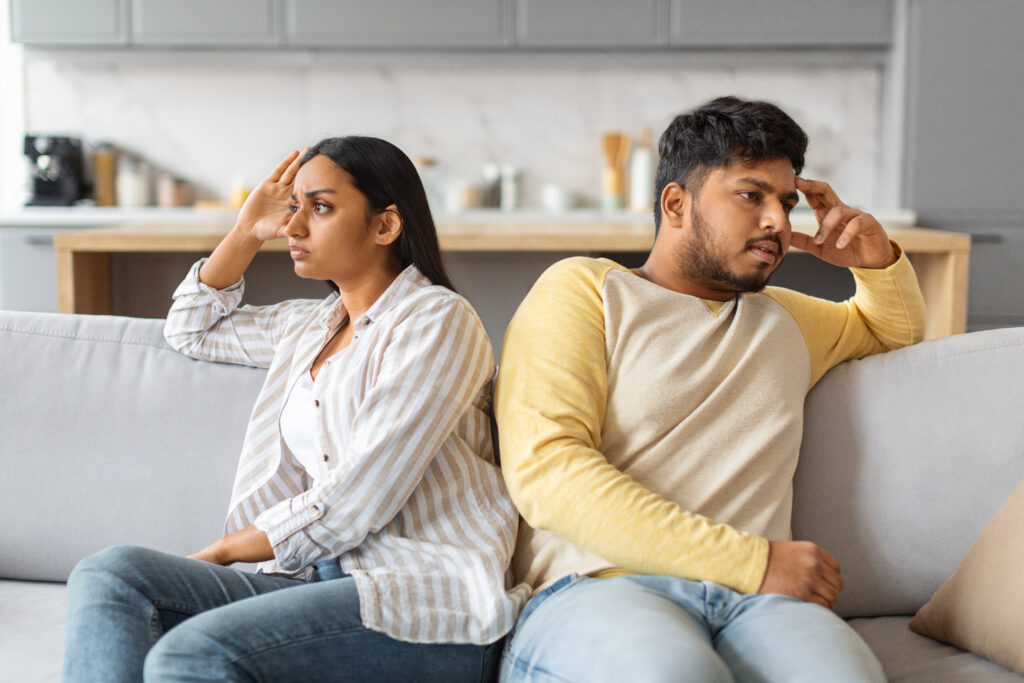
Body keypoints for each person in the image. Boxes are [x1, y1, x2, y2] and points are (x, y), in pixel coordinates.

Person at [62, 136, 530, 682]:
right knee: (110, 574)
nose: (293, 227)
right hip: (308, 582)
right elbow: (190, 327)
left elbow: (359, 497)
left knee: (192, 653)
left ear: (385, 225)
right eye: (293, 207)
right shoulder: (308, 326)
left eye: (321, 207)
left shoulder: (437, 321)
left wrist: (225, 550)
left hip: (419, 599)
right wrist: (244, 231)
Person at [494, 96, 925, 682]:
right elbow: (548, 473)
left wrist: (875, 262)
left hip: (762, 606)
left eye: (787, 201)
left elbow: (891, 329)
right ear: (677, 203)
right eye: (752, 195)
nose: (777, 220)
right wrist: (753, 560)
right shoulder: (585, 291)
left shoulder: (787, 320)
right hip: (600, 589)